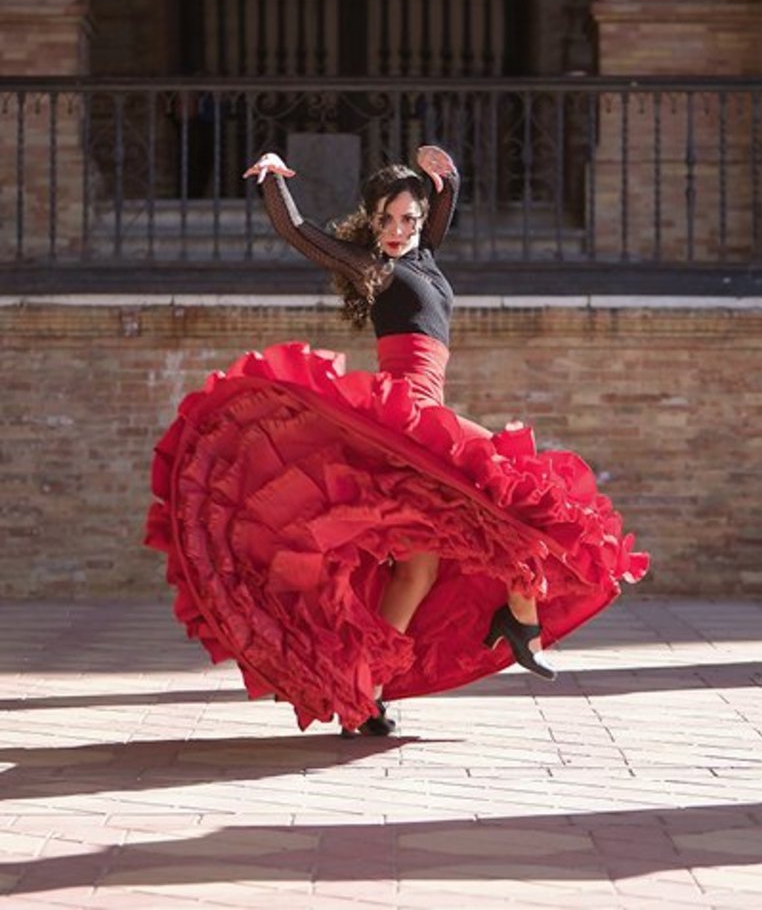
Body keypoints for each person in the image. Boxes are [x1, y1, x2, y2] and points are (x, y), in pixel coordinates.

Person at [146, 145, 648, 737]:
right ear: (372, 220)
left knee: (419, 572)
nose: (396, 229)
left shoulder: (426, 255)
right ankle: (519, 616)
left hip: (428, 416)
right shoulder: (372, 266)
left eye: (407, 218)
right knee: (511, 497)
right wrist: (275, 178)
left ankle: (366, 697)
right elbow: (299, 232)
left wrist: (447, 175)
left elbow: (444, 203)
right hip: (403, 420)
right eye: (385, 219)